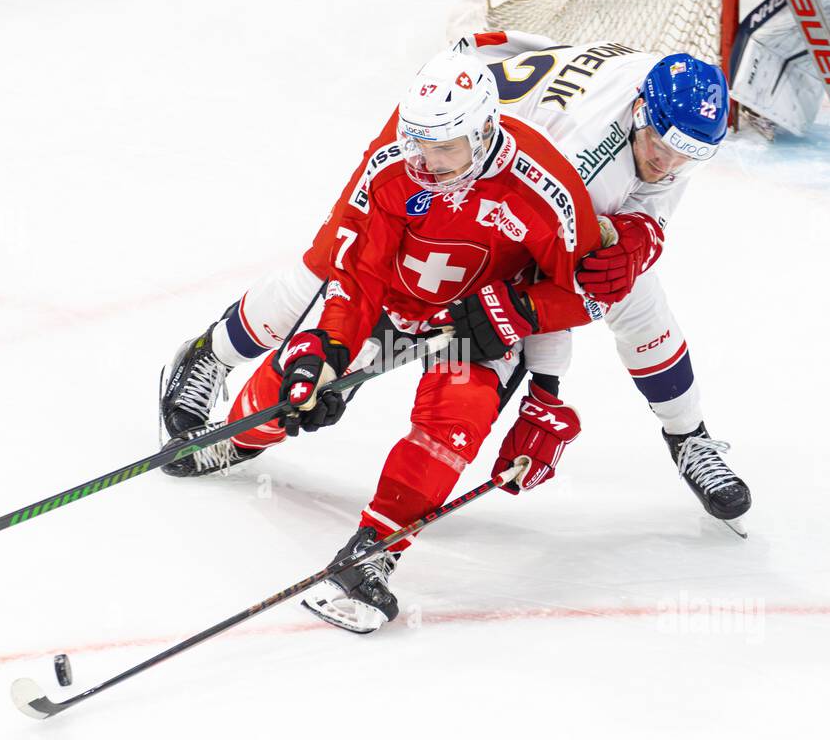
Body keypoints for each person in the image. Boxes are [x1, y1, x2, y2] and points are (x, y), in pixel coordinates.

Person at [161, 34, 752, 537]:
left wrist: (641, 237)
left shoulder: (670, 113)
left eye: (690, 156)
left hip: (492, 140)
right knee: (331, 263)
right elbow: (546, 276)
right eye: (663, 147)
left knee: (629, 292)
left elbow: (525, 51)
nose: (671, 164)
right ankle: (211, 353)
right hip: (446, 137)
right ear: (638, 112)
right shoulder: (579, 156)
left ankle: (689, 438)